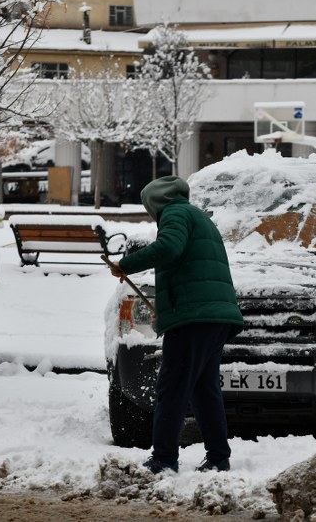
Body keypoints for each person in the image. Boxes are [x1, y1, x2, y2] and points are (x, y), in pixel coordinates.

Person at [111, 175, 244, 474]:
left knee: (171, 387)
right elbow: (187, 266)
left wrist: (126, 264)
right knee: (203, 389)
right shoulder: (198, 217)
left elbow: (169, 248)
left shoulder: (175, 213)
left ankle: (165, 457)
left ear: (155, 202)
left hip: (195, 317)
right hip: (213, 316)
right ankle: (218, 457)